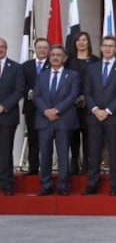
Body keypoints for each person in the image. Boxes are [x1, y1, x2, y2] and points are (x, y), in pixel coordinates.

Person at [82, 36, 116, 196]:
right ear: (101, 48)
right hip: (94, 117)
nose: (108, 49)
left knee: (114, 153)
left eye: (112, 46)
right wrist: (95, 109)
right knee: (93, 152)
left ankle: (114, 186)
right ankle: (92, 185)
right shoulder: (92, 68)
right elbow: (87, 92)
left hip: (114, 117)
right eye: (105, 46)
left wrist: (108, 110)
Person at [34, 45, 80, 196]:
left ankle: (63, 186)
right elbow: (37, 96)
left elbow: (72, 96)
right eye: (52, 54)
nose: (55, 57)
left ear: (65, 58)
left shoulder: (73, 75)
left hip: (64, 120)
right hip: (44, 120)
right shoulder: (42, 75)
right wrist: (46, 111)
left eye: (59, 55)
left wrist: (57, 110)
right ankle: (45, 185)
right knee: (45, 154)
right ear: (49, 57)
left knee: (62, 154)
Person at [65, 31, 99, 175]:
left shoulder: (96, 60)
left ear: (88, 42)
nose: (81, 42)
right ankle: (74, 163)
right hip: (70, 104)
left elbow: (97, 83)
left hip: (89, 105)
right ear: (74, 43)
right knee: (73, 134)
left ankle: (87, 163)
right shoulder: (68, 60)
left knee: (88, 135)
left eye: (84, 40)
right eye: (78, 40)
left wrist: (86, 97)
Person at [22, 37, 50, 175]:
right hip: (31, 108)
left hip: (48, 108)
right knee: (33, 138)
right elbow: (21, 85)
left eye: (45, 48)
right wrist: (29, 91)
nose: (42, 50)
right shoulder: (26, 66)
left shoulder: (54, 64)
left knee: (48, 140)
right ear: (35, 49)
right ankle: (33, 167)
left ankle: (47, 168)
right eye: (40, 47)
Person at [0, 37, 24, 196]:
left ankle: (6, 184)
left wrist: (3, 106)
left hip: (7, 116)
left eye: (2, 47)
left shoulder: (15, 68)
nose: (0, 49)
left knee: (5, 151)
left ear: (6, 48)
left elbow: (19, 90)